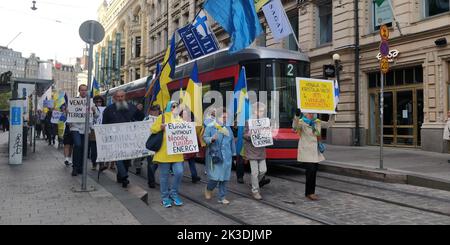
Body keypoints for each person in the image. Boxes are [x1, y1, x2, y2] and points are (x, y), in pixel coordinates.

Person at [293, 112, 335, 201]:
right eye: (309, 113)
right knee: (310, 171)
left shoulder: (317, 122)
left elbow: (328, 124)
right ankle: (310, 193)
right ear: (305, 114)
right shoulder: (301, 122)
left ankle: (310, 192)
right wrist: (296, 116)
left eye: (312, 113)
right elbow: (295, 128)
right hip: (306, 150)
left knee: (314, 171)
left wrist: (332, 114)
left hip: (315, 151)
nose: (311, 115)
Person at [151, 101, 185, 208]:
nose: (175, 108)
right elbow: (152, 129)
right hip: (164, 152)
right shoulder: (162, 117)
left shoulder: (180, 119)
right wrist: (160, 127)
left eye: (177, 107)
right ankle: (165, 198)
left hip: (176, 153)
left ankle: (173, 194)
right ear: (169, 107)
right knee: (164, 177)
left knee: (179, 172)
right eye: (173, 106)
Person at [102, 90, 138, 188]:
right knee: (118, 158)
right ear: (114, 98)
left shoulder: (132, 108)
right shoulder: (108, 110)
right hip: (114, 139)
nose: (120, 98)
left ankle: (120, 176)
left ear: (125, 97)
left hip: (129, 139)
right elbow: (104, 125)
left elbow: (139, 120)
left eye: (122, 96)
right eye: (118, 97)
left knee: (126, 159)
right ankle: (124, 177)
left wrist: (139, 111)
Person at [203, 108, 236, 205]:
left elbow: (232, 141)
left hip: (226, 156)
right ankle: (209, 188)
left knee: (224, 178)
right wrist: (211, 139)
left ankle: (222, 197)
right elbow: (204, 138)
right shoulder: (210, 127)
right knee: (215, 177)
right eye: (223, 117)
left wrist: (233, 154)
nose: (225, 119)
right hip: (215, 156)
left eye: (226, 117)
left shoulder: (228, 128)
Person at [69, 84, 98, 176]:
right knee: (77, 145)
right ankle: (75, 167)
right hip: (75, 127)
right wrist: (68, 112)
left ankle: (80, 167)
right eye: (82, 90)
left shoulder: (90, 102)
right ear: (79, 91)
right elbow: (69, 114)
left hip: (86, 129)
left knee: (84, 148)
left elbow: (97, 115)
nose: (84, 92)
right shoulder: (74, 101)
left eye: (85, 90)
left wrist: (94, 111)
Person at [244, 102, 270, 200]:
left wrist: (269, 134)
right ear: (255, 111)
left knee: (263, 170)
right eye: (260, 111)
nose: (262, 113)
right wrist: (249, 135)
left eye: (263, 111)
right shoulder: (249, 121)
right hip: (251, 150)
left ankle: (254, 182)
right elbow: (244, 135)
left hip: (261, 150)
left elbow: (266, 134)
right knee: (254, 172)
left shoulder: (265, 121)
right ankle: (255, 191)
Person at [181, 108, 201, 184]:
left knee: (191, 161)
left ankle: (194, 176)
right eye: (183, 114)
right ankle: (179, 175)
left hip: (189, 147)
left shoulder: (192, 124)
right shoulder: (178, 123)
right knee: (181, 162)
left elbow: (195, 135)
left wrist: (197, 144)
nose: (185, 116)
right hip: (182, 146)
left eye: (186, 114)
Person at [146, 105, 161, 188]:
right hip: (150, 145)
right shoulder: (146, 120)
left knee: (155, 164)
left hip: (159, 146)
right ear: (150, 111)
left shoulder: (162, 119)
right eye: (154, 110)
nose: (156, 112)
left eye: (157, 110)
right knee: (151, 164)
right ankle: (151, 181)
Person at [89, 96, 105, 171]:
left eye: (100, 102)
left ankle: (101, 164)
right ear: (94, 102)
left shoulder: (105, 109)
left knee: (101, 148)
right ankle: (94, 163)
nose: (99, 103)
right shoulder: (91, 108)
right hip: (93, 130)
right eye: (97, 102)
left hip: (102, 131)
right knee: (94, 149)